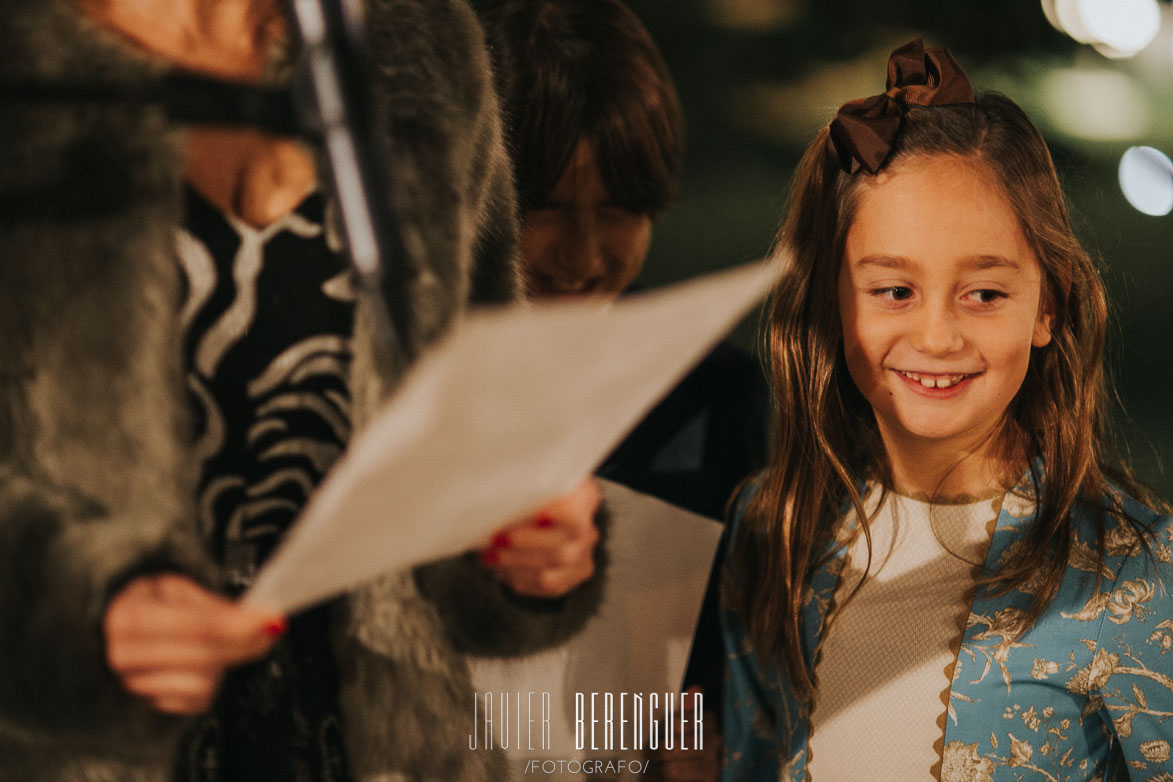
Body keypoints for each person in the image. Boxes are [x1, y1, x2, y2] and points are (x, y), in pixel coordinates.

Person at [0, 1, 603, 781]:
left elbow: (473, 405)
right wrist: (71, 611)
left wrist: (521, 540)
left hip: (374, 744)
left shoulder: (416, 43)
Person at [719, 39, 1173, 781]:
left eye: (984, 293)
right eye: (893, 290)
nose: (935, 335)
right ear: (832, 301)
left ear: (1046, 308)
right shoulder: (774, 533)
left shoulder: (1137, 576)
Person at [475, 0, 770, 523]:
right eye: (544, 211)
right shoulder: (392, 380)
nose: (582, 255)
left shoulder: (716, 390)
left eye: (619, 211)